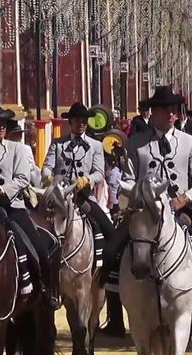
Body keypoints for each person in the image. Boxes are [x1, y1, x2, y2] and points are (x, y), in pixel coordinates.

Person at [102, 85, 192, 335]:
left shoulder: (190, 143)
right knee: (112, 250)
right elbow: (127, 179)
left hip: (181, 210)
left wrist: (185, 198)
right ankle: (115, 313)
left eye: (174, 110)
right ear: (154, 112)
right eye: (165, 109)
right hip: (144, 213)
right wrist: (140, 197)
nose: (171, 114)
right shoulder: (137, 143)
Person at [42, 102, 125, 337]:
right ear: (70, 123)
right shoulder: (58, 144)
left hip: (83, 199)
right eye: (77, 120)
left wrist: (87, 180)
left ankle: (110, 278)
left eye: (83, 120)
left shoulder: (96, 146)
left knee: (110, 233)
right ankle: (44, 285)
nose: (80, 124)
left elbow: (100, 172)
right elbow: (46, 167)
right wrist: (48, 178)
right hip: (58, 200)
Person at [0, 101, 57, 307]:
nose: (2, 127)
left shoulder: (17, 149)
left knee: (39, 248)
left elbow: (23, 178)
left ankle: (48, 289)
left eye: (4, 123)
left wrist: (2, 190)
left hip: (12, 207)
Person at [6, 120, 41, 187]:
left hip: (24, 181)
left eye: (20, 134)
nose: (19, 136)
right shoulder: (5, 149)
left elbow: (31, 168)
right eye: (16, 134)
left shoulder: (26, 148)